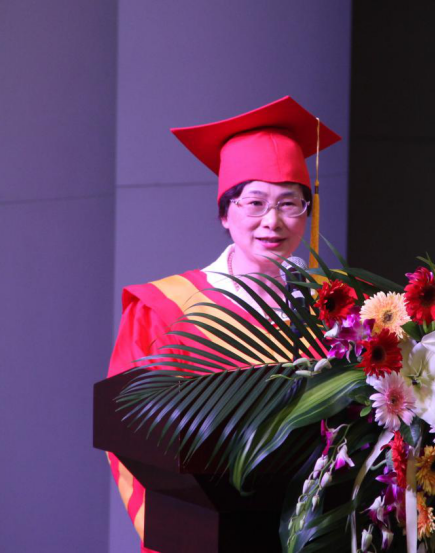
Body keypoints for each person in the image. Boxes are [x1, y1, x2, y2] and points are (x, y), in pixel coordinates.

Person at [105, 96, 340, 552]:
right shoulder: (165, 309)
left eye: (290, 204)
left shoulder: (336, 309)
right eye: (255, 203)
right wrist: (190, 532)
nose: (273, 221)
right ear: (225, 213)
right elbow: (130, 437)